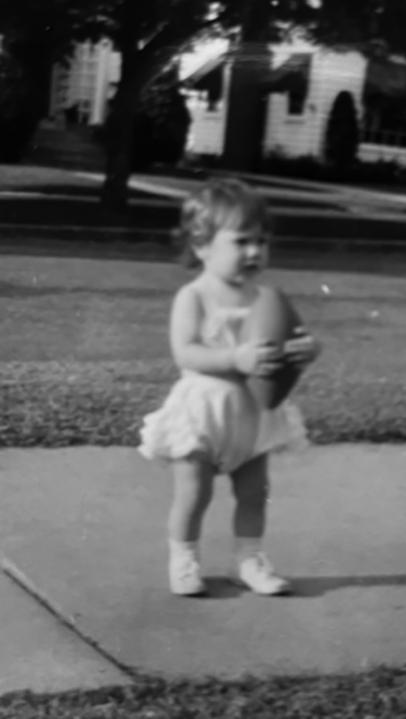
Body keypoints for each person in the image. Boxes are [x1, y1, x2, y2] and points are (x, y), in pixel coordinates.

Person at [138, 178, 318, 597]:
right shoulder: (194, 296)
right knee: (194, 492)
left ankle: (248, 560)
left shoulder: (267, 297)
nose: (255, 252)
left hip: (253, 416)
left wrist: (307, 348)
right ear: (201, 245)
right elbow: (185, 353)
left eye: (262, 241)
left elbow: (295, 335)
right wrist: (233, 359)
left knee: (255, 492)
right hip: (204, 414)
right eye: (241, 241)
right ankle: (184, 558)